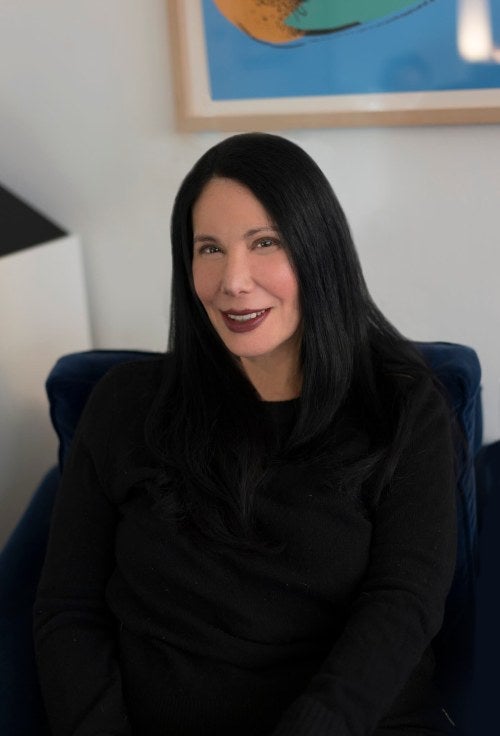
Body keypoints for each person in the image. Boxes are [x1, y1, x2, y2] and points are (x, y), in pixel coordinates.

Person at [34, 132, 457, 735]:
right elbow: (67, 609)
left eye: (265, 243)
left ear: (318, 251)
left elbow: (404, 604)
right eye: (209, 248)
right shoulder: (125, 405)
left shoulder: (400, 408)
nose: (233, 280)